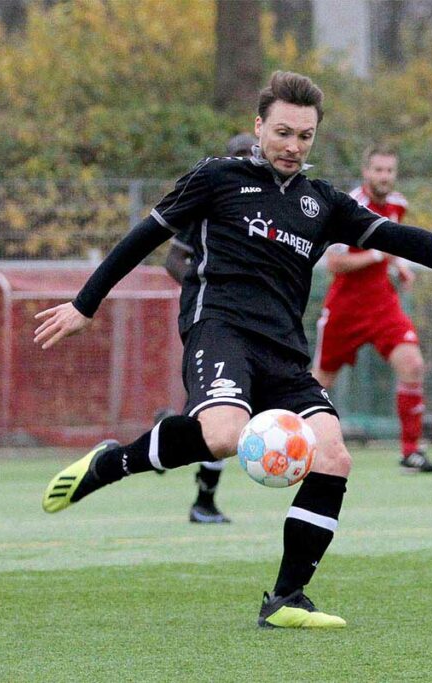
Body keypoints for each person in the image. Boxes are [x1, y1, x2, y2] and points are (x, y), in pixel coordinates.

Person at [35, 71, 432, 628]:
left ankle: (286, 599)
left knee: (334, 457)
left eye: (305, 136)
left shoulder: (323, 203)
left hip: (283, 348)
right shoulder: (217, 178)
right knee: (221, 436)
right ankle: (112, 462)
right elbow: (145, 236)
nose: (293, 146)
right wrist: (84, 305)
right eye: (283, 132)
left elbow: (399, 238)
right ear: (258, 127)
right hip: (218, 327)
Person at [313, 144, 432, 473]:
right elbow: (335, 262)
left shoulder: (398, 205)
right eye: (378, 170)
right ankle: (296, 445)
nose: (384, 176)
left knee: (412, 365)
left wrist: (399, 267)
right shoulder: (350, 207)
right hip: (345, 307)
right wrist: (377, 255)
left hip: (382, 303)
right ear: (366, 172)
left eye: (389, 171)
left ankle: (411, 451)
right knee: (318, 384)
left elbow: (392, 244)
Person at [156, 132, 260, 525]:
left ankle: (168, 436)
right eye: (238, 155)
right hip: (213, 322)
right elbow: (173, 260)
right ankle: (201, 497)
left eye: (252, 154)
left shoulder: (265, 206)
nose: (247, 160)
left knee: (228, 421)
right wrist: (209, 286)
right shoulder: (209, 204)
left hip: (253, 325)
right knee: (224, 417)